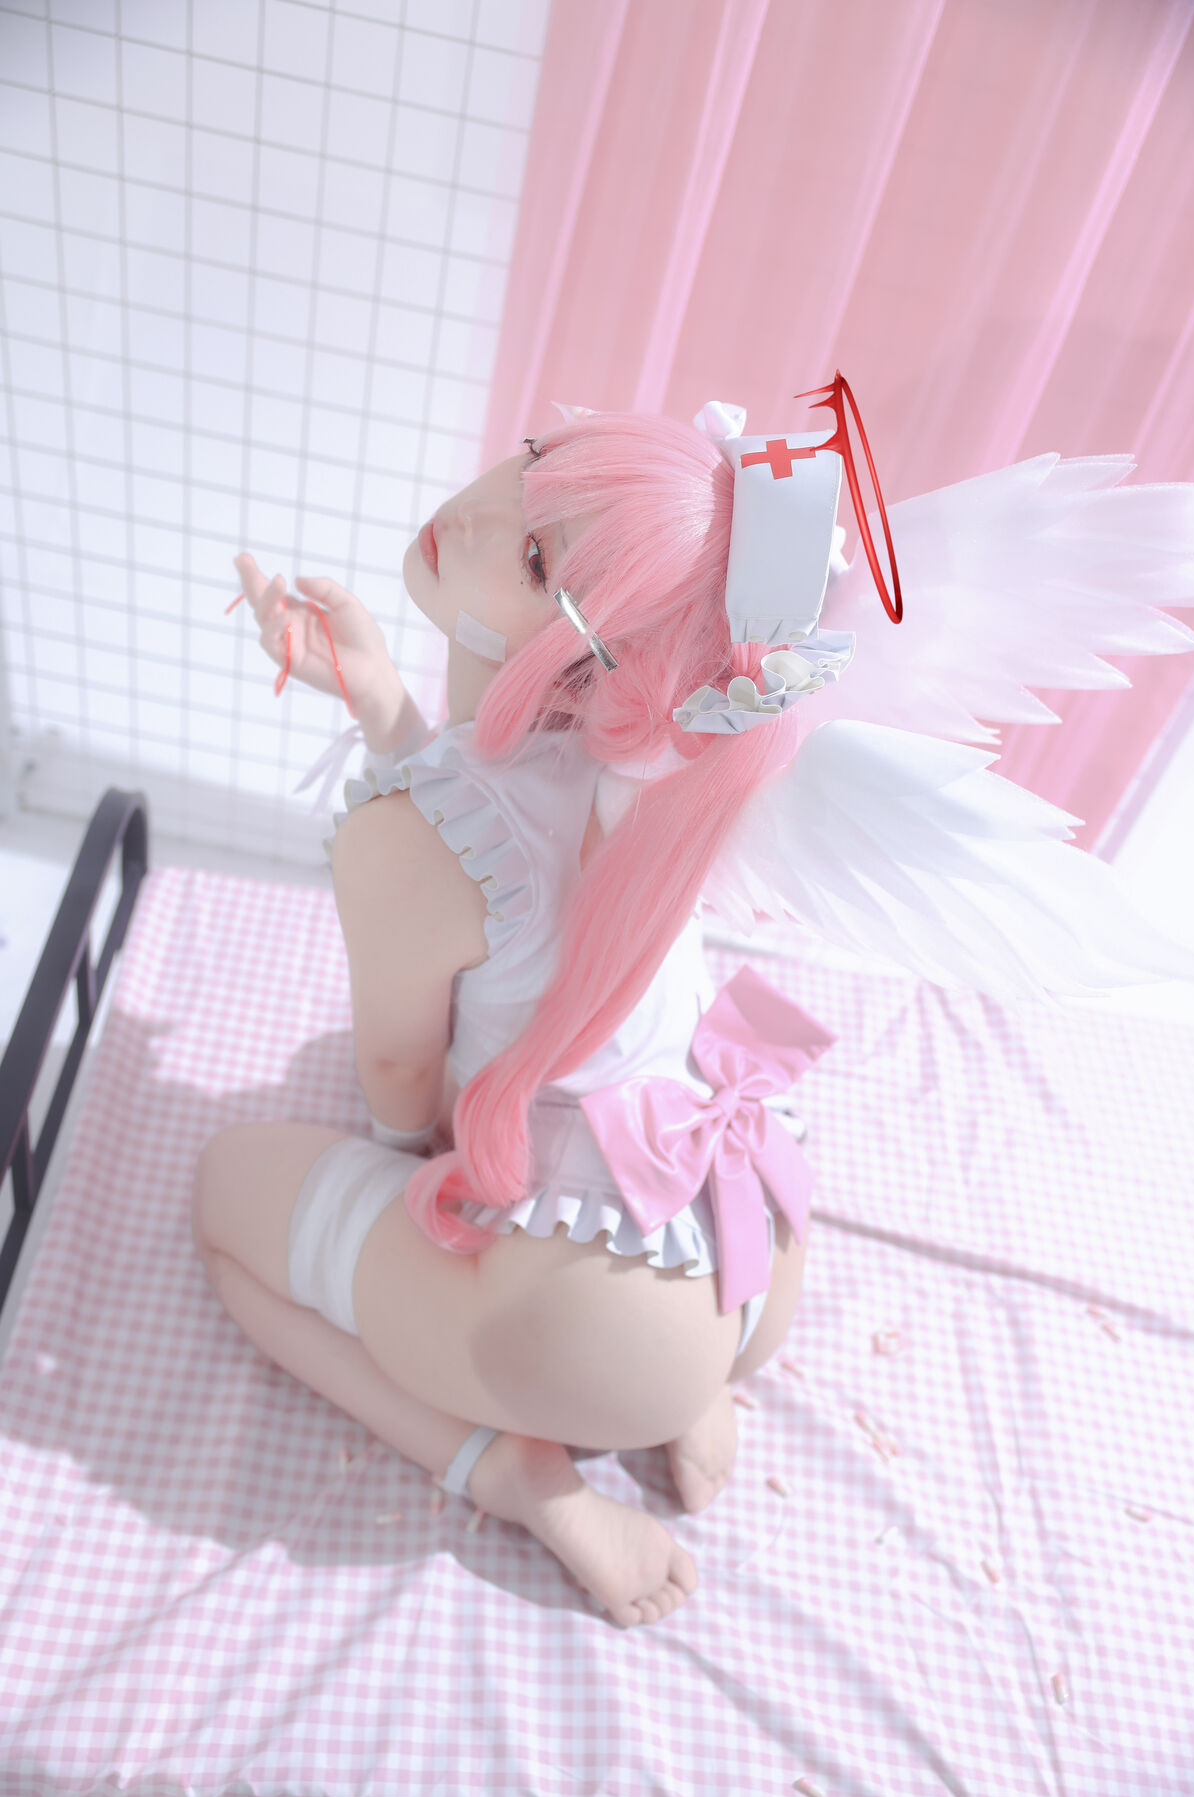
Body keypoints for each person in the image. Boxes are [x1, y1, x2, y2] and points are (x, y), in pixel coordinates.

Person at [192, 407, 834, 1631]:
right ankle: (682, 1393)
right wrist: (384, 705)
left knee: (228, 1198)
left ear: (591, 657)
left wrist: (394, 1186)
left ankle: (525, 1475)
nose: (480, 509)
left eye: (538, 558)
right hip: (751, 1239)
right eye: (537, 458)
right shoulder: (659, 765)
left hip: (596, 1312)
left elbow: (397, 1065)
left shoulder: (410, 841)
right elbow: (507, 841)